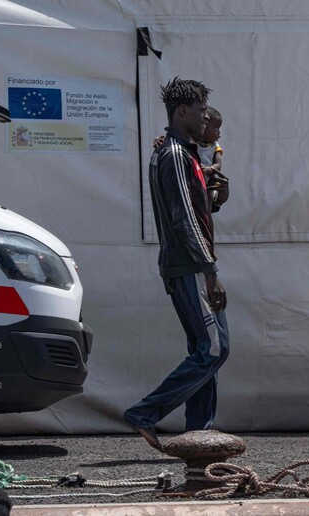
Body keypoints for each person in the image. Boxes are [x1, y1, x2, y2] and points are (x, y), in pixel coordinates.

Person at [124, 77, 230, 452]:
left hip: (189, 265)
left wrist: (216, 195)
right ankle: (145, 413)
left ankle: (198, 432)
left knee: (205, 350)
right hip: (190, 267)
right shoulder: (174, 155)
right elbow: (184, 218)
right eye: (201, 111)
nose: (206, 118)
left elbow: (197, 209)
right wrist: (210, 271)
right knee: (214, 350)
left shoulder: (184, 154)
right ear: (182, 111)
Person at [197, 106, 229, 210]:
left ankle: (208, 225)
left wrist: (208, 169)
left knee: (208, 204)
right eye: (215, 128)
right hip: (196, 184)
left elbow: (218, 164)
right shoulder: (191, 142)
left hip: (209, 182)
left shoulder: (215, 146)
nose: (219, 132)